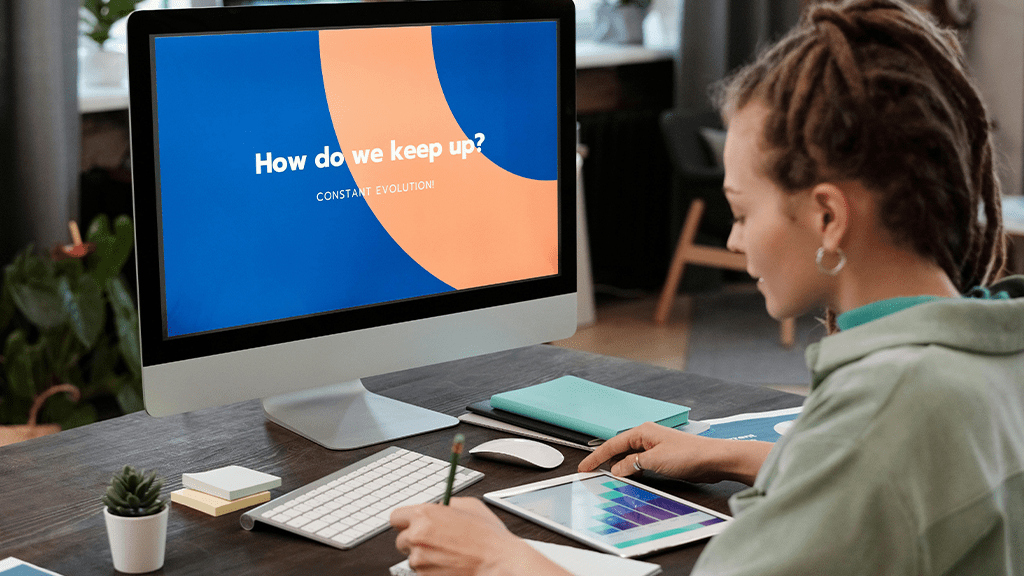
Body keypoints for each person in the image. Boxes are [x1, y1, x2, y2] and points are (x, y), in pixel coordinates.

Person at [389, 0, 1024, 573]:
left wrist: (500, 559)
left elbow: (880, 453)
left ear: (828, 217)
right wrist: (736, 456)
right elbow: (915, 478)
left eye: (743, 213)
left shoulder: (884, 410)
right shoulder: (985, 357)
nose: (734, 241)